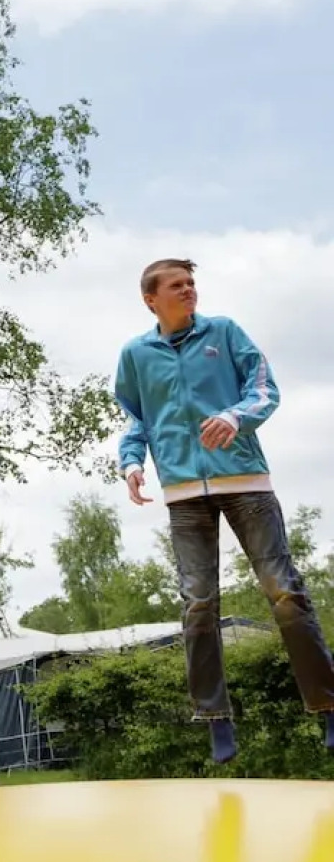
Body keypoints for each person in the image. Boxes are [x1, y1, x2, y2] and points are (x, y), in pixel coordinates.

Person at [115, 258, 334, 764]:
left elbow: (264, 390)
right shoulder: (135, 355)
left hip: (246, 481)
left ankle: (326, 704)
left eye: (191, 283)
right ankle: (216, 720)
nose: (189, 290)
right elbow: (134, 419)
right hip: (183, 491)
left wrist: (236, 417)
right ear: (152, 298)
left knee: (283, 591)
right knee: (197, 605)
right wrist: (131, 464)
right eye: (177, 285)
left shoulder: (226, 332)